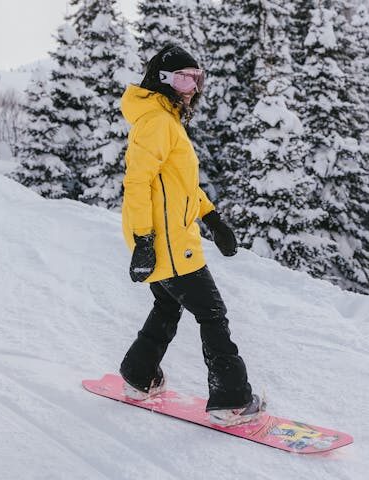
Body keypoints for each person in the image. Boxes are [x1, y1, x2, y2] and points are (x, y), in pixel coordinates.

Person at [118, 43, 264, 427]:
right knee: (212, 313)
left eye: (196, 77)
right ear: (162, 79)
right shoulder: (157, 122)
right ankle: (230, 400)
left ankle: (138, 376)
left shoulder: (166, 119)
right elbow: (136, 183)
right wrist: (144, 241)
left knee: (167, 306)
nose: (191, 86)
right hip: (167, 245)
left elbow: (180, 185)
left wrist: (212, 219)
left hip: (171, 241)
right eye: (183, 77)